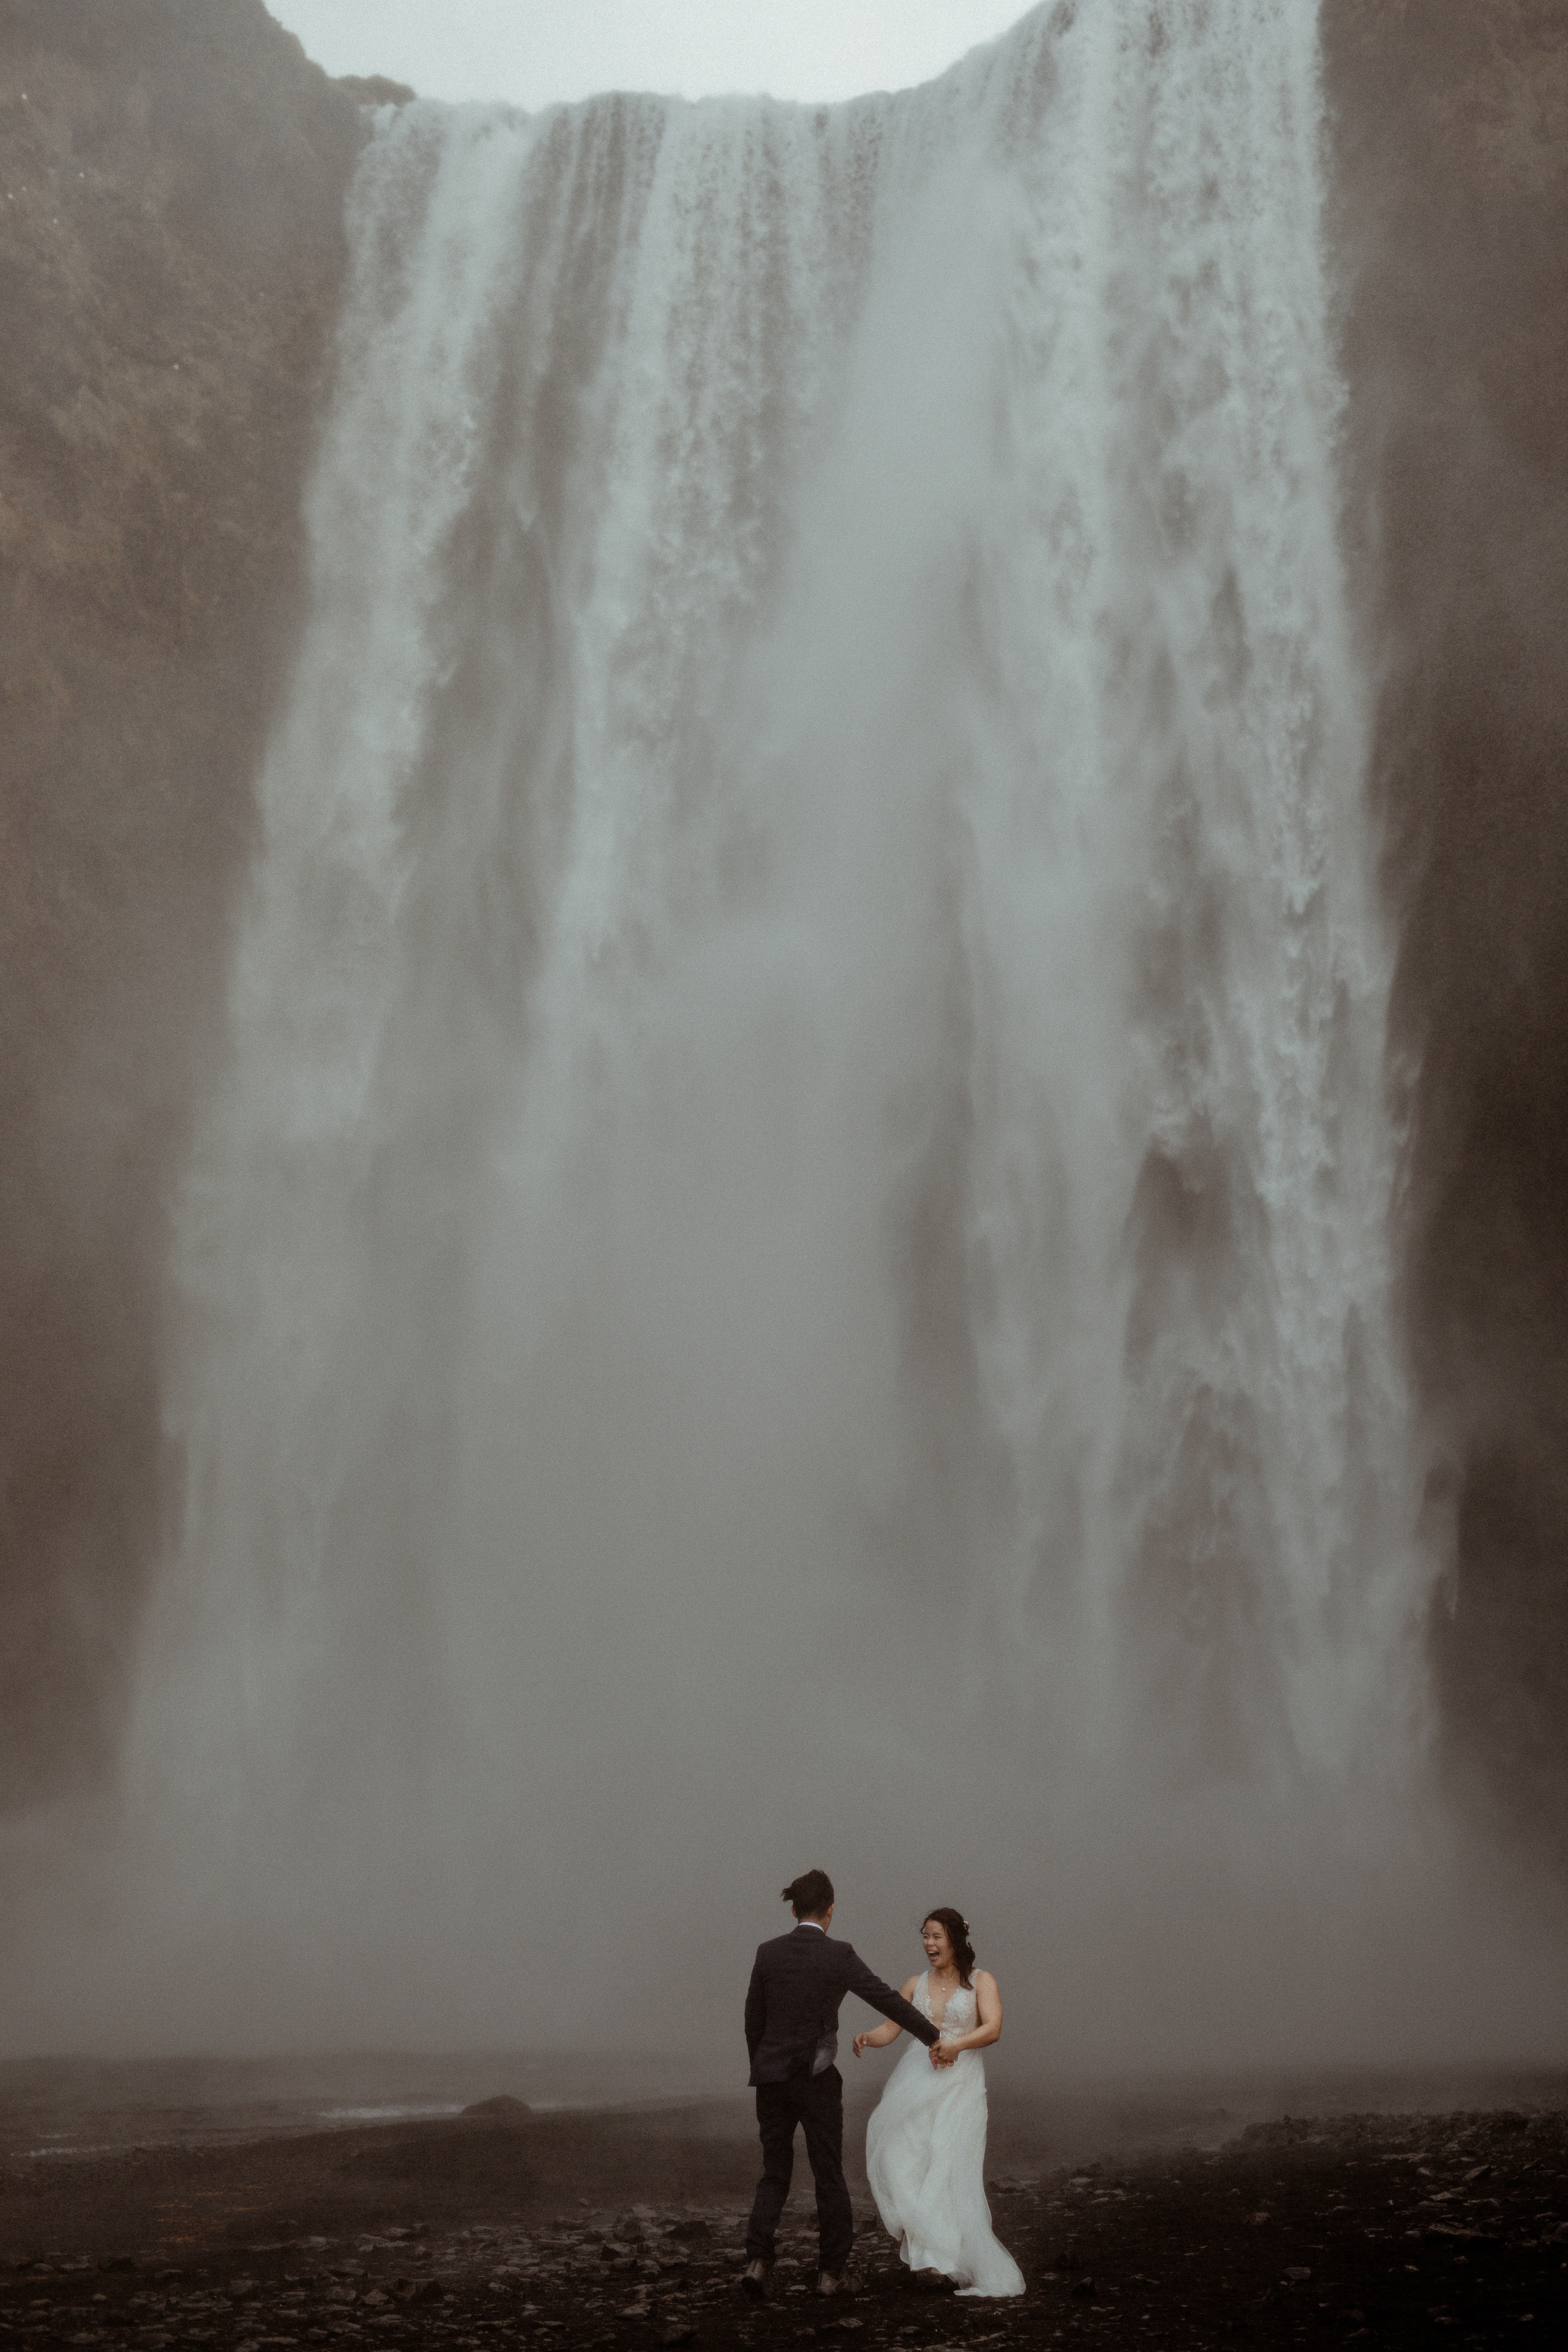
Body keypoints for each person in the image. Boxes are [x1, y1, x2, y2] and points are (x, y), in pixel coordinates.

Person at [742, 1868, 941, 2301]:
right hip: (817, 2081)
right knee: (828, 2173)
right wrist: (935, 2038)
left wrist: (764, 2067)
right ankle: (831, 2274)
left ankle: (757, 2263)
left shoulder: (767, 1953)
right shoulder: (838, 1955)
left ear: (794, 1910)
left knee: (774, 2174)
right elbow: (886, 1998)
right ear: (830, 1910)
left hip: (772, 2081)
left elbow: (753, 2021)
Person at [854, 1907, 1025, 2296]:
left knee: (948, 2165)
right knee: (902, 2156)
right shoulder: (915, 1983)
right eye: (925, 1937)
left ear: (955, 1940)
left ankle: (948, 2259)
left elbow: (993, 2028)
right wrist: (868, 2037)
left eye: (936, 1937)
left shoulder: (982, 1981)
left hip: (961, 2085)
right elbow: (890, 2027)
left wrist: (955, 2045)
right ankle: (929, 2254)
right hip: (915, 2082)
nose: (929, 1945)